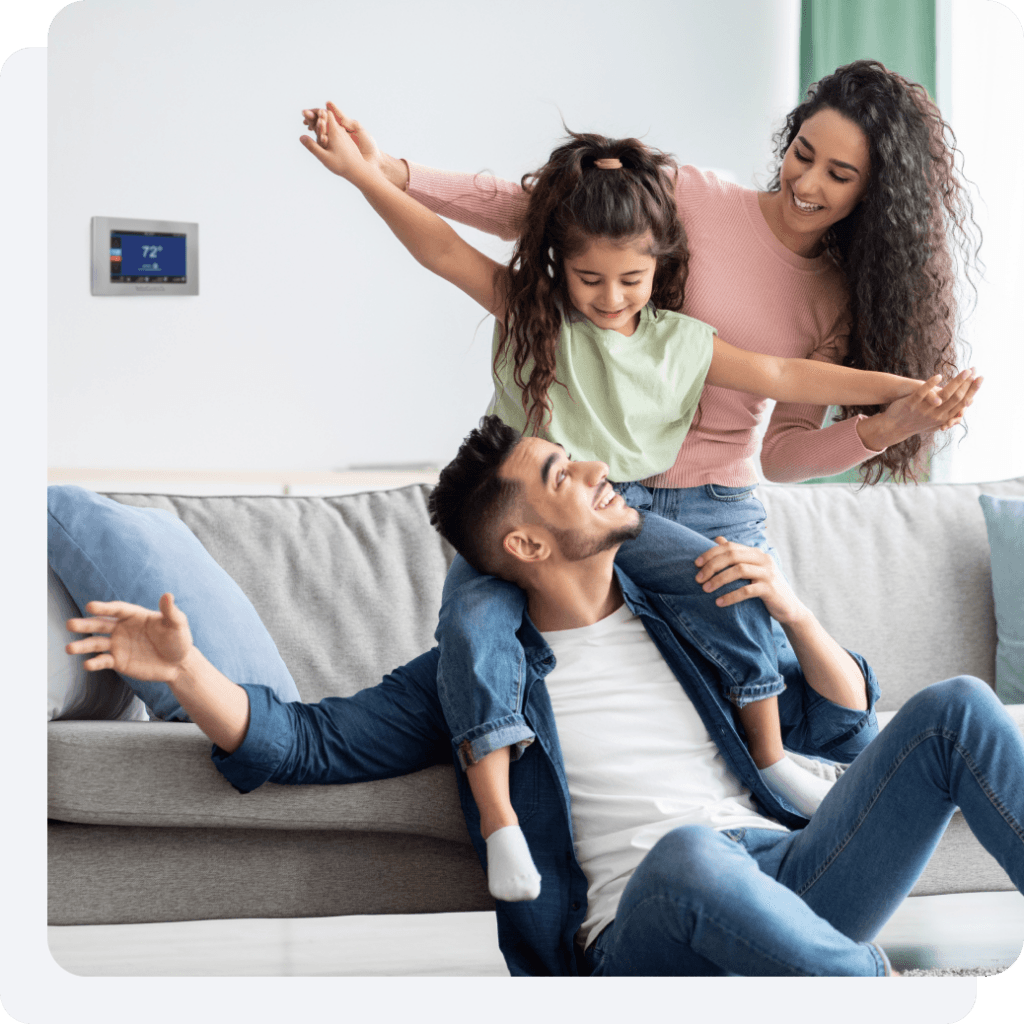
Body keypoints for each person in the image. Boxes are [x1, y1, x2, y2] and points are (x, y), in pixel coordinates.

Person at [65, 416, 1024, 977]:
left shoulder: (685, 618)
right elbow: (302, 742)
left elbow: (844, 725)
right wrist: (186, 672)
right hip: (643, 920)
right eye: (565, 474)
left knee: (958, 708)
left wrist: (797, 609)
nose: (603, 469)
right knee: (692, 855)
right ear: (524, 545)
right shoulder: (471, 678)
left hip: (793, 875)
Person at [297, 104, 972, 897]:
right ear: (560, 264)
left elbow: (789, 381)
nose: (610, 297)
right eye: (590, 278)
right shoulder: (540, 313)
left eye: (630, 280)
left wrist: (905, 393)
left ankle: (770, 759)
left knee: (731, 580)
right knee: (472, 632)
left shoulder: (682, 342)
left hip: (630, 515)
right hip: (535, 519)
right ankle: (500, 821)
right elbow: (447, 245)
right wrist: (371, 173)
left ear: (661, 269)